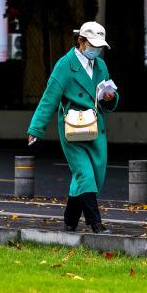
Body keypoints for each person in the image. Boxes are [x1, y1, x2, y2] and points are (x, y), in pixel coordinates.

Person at [27, 21, 118, 234]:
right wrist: (35, 129)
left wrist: (110, 97)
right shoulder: (64, 65)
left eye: (100, 46)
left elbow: (108, 96)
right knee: (85, 174)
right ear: (81, 41)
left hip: (95, 128)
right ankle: (95, 223)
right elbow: (49, 99)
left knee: (93, 175)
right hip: (73, 129)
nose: (96, 49)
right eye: (93, 44)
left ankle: (70, 219)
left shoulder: (101, 66)